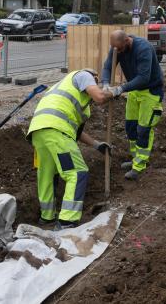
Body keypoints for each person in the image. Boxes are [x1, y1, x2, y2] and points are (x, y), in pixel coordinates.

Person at [26, 68, 113, 230]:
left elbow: (78, 132)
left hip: (39, 132)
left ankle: (47, 217)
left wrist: (96, 144)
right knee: (76, 172)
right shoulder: (84, 75)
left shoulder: (64, 90)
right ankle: (67, 220)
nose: (95, 84)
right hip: (57, 132)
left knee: (47, 175)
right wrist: (115, 91)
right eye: (96, 81)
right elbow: (100, 97)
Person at [101, 30, 164, 181]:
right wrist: (105, 84)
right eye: (115, 48)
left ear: (127, 41)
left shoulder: (143, 48)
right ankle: (136, 158)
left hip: (150, 91)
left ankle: (140, 165)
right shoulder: (117, 47)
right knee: (131, 126)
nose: (118, 52)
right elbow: (108, 66)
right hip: (135, 91)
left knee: (143, 129)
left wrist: (119, 89)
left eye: (120, 49)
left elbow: (143, 77)